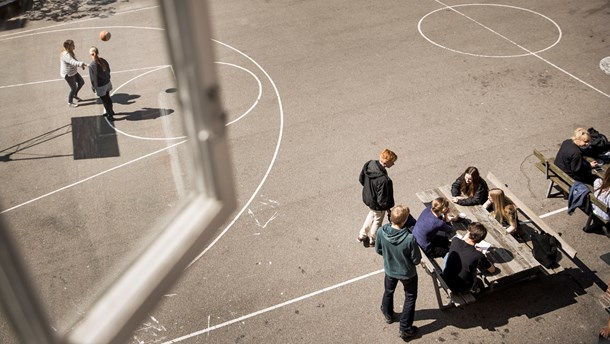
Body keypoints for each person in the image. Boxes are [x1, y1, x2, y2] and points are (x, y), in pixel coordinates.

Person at [375, 205, 421, 341]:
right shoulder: (409, 238)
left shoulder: (381, 232)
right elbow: (416, 259)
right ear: (405, 220)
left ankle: (388, 314)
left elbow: (378, 250)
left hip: (390, 269)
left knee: (388, 291)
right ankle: (405, 328)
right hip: (407, 273)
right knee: (410, 297)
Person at [357, 148, 397, 247]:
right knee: (377, 221)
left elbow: (361, 179)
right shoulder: (383, 179)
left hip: (368, 197)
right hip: (377, 204)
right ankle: (373, 239)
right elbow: (382, 198)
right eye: (392, 162)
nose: (393, 164)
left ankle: (362, 234)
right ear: (386, 162)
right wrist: (386, 207)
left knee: (371, 214)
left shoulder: (369, 164)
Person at [442, 222, 496, 293]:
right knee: (474, 270)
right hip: (459, 287)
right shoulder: (478, 255)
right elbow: (492, 270)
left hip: (445, 278)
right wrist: (480, 254)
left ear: (468, 232)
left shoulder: (455, 241)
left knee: (448, 254)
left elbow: (463, 244)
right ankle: (474, 289)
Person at [88, 46, 116, 121]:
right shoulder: (103, 60)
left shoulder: (91, 65)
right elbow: (109, 70)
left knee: (105, 100)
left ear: (91, 54)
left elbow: (92, 79)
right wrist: (107, 78)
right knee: (108, 97)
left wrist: (93, 87)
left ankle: (110, 114)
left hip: (101, 86)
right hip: (107, 82)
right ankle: (111, 111)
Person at [60, 39, 87, 107]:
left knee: (81, 82)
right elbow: (73, 62)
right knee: (73, 88)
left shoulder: (70, 52)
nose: (74, 46)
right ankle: (70, 102)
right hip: (68, 74)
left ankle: (74, 95)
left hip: (73, 72)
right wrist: (82, 64)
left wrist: (81, 65)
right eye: (72, 45)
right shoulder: (66, 55)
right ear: (68, 46)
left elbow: (74, 60)